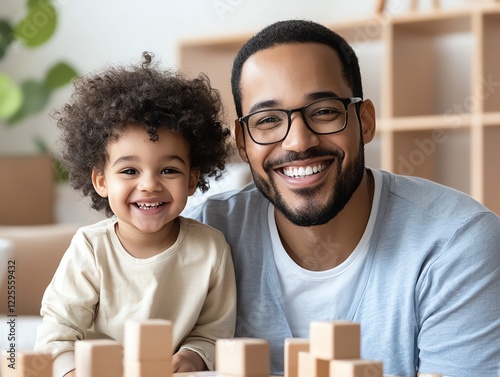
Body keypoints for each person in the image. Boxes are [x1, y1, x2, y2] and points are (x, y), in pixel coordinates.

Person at [184, 20, 500, 376]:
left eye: (323, 111)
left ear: (364, 121)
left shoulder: (457, 245)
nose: (298, 142)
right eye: (268, 119)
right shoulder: (203, 237)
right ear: (243, 142)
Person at [35, 52, 236, 377]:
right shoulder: (91, 247)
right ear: (101, 180)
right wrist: (70, 371)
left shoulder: (211, 249)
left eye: (169, 169)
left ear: (193, 179)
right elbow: (58, 330)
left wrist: (193, 356)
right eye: (129, 170)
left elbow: (215, 331)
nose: (149, 185)